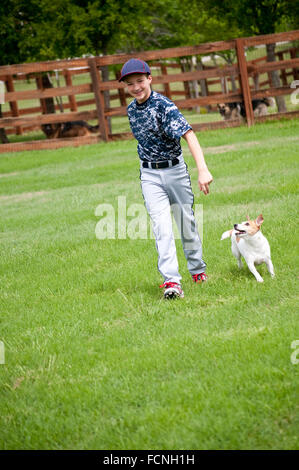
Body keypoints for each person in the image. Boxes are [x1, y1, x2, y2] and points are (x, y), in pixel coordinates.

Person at [119, 58, 213, 299]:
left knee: (185, 223)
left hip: (175, 171)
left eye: (140, 81)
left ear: (149, 78)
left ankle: (197, 269)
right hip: (149, 174)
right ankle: (172, 282)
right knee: (161, 227)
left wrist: (202, 170)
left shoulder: (164, 106)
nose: (136, 87)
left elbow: (189, 135)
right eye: (130, 84)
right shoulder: (131, 110)